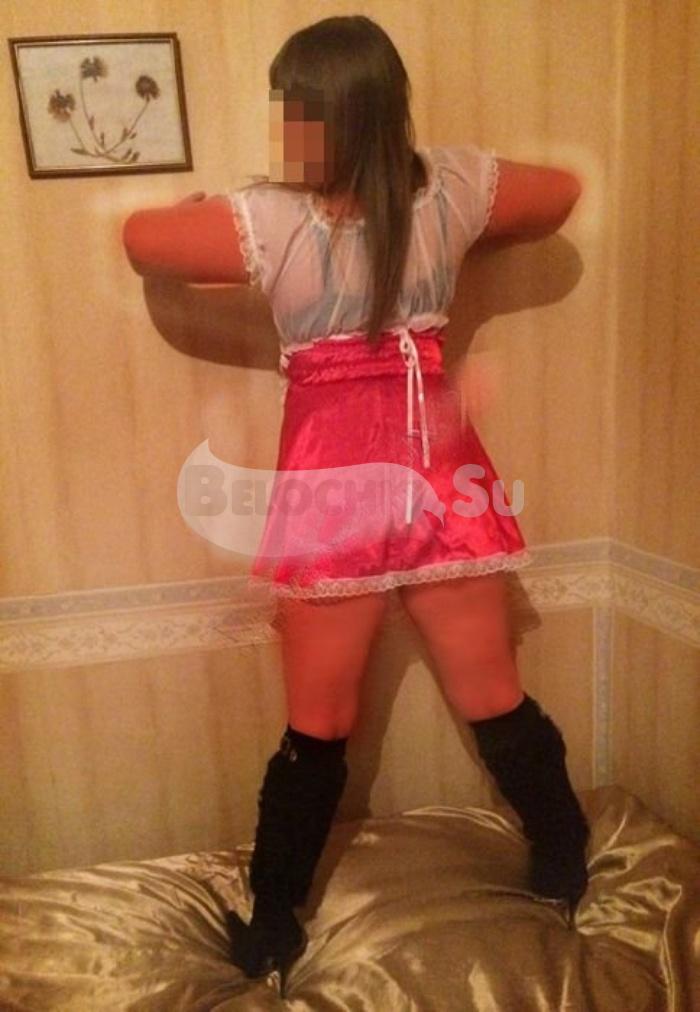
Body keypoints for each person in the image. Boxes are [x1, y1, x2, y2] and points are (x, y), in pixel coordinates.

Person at [122, 14, 590, 998]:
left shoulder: (271, 218)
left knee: (317, 723)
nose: (283, 124)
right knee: (491, 695)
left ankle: (270, 924)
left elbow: (141, 240)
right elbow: (560, 194)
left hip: (332, 485)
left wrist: (204, 209)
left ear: (321, 114)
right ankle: (563, 861)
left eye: (292, 106)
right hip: (436, 468)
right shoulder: (447, 190)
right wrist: (458, 224)